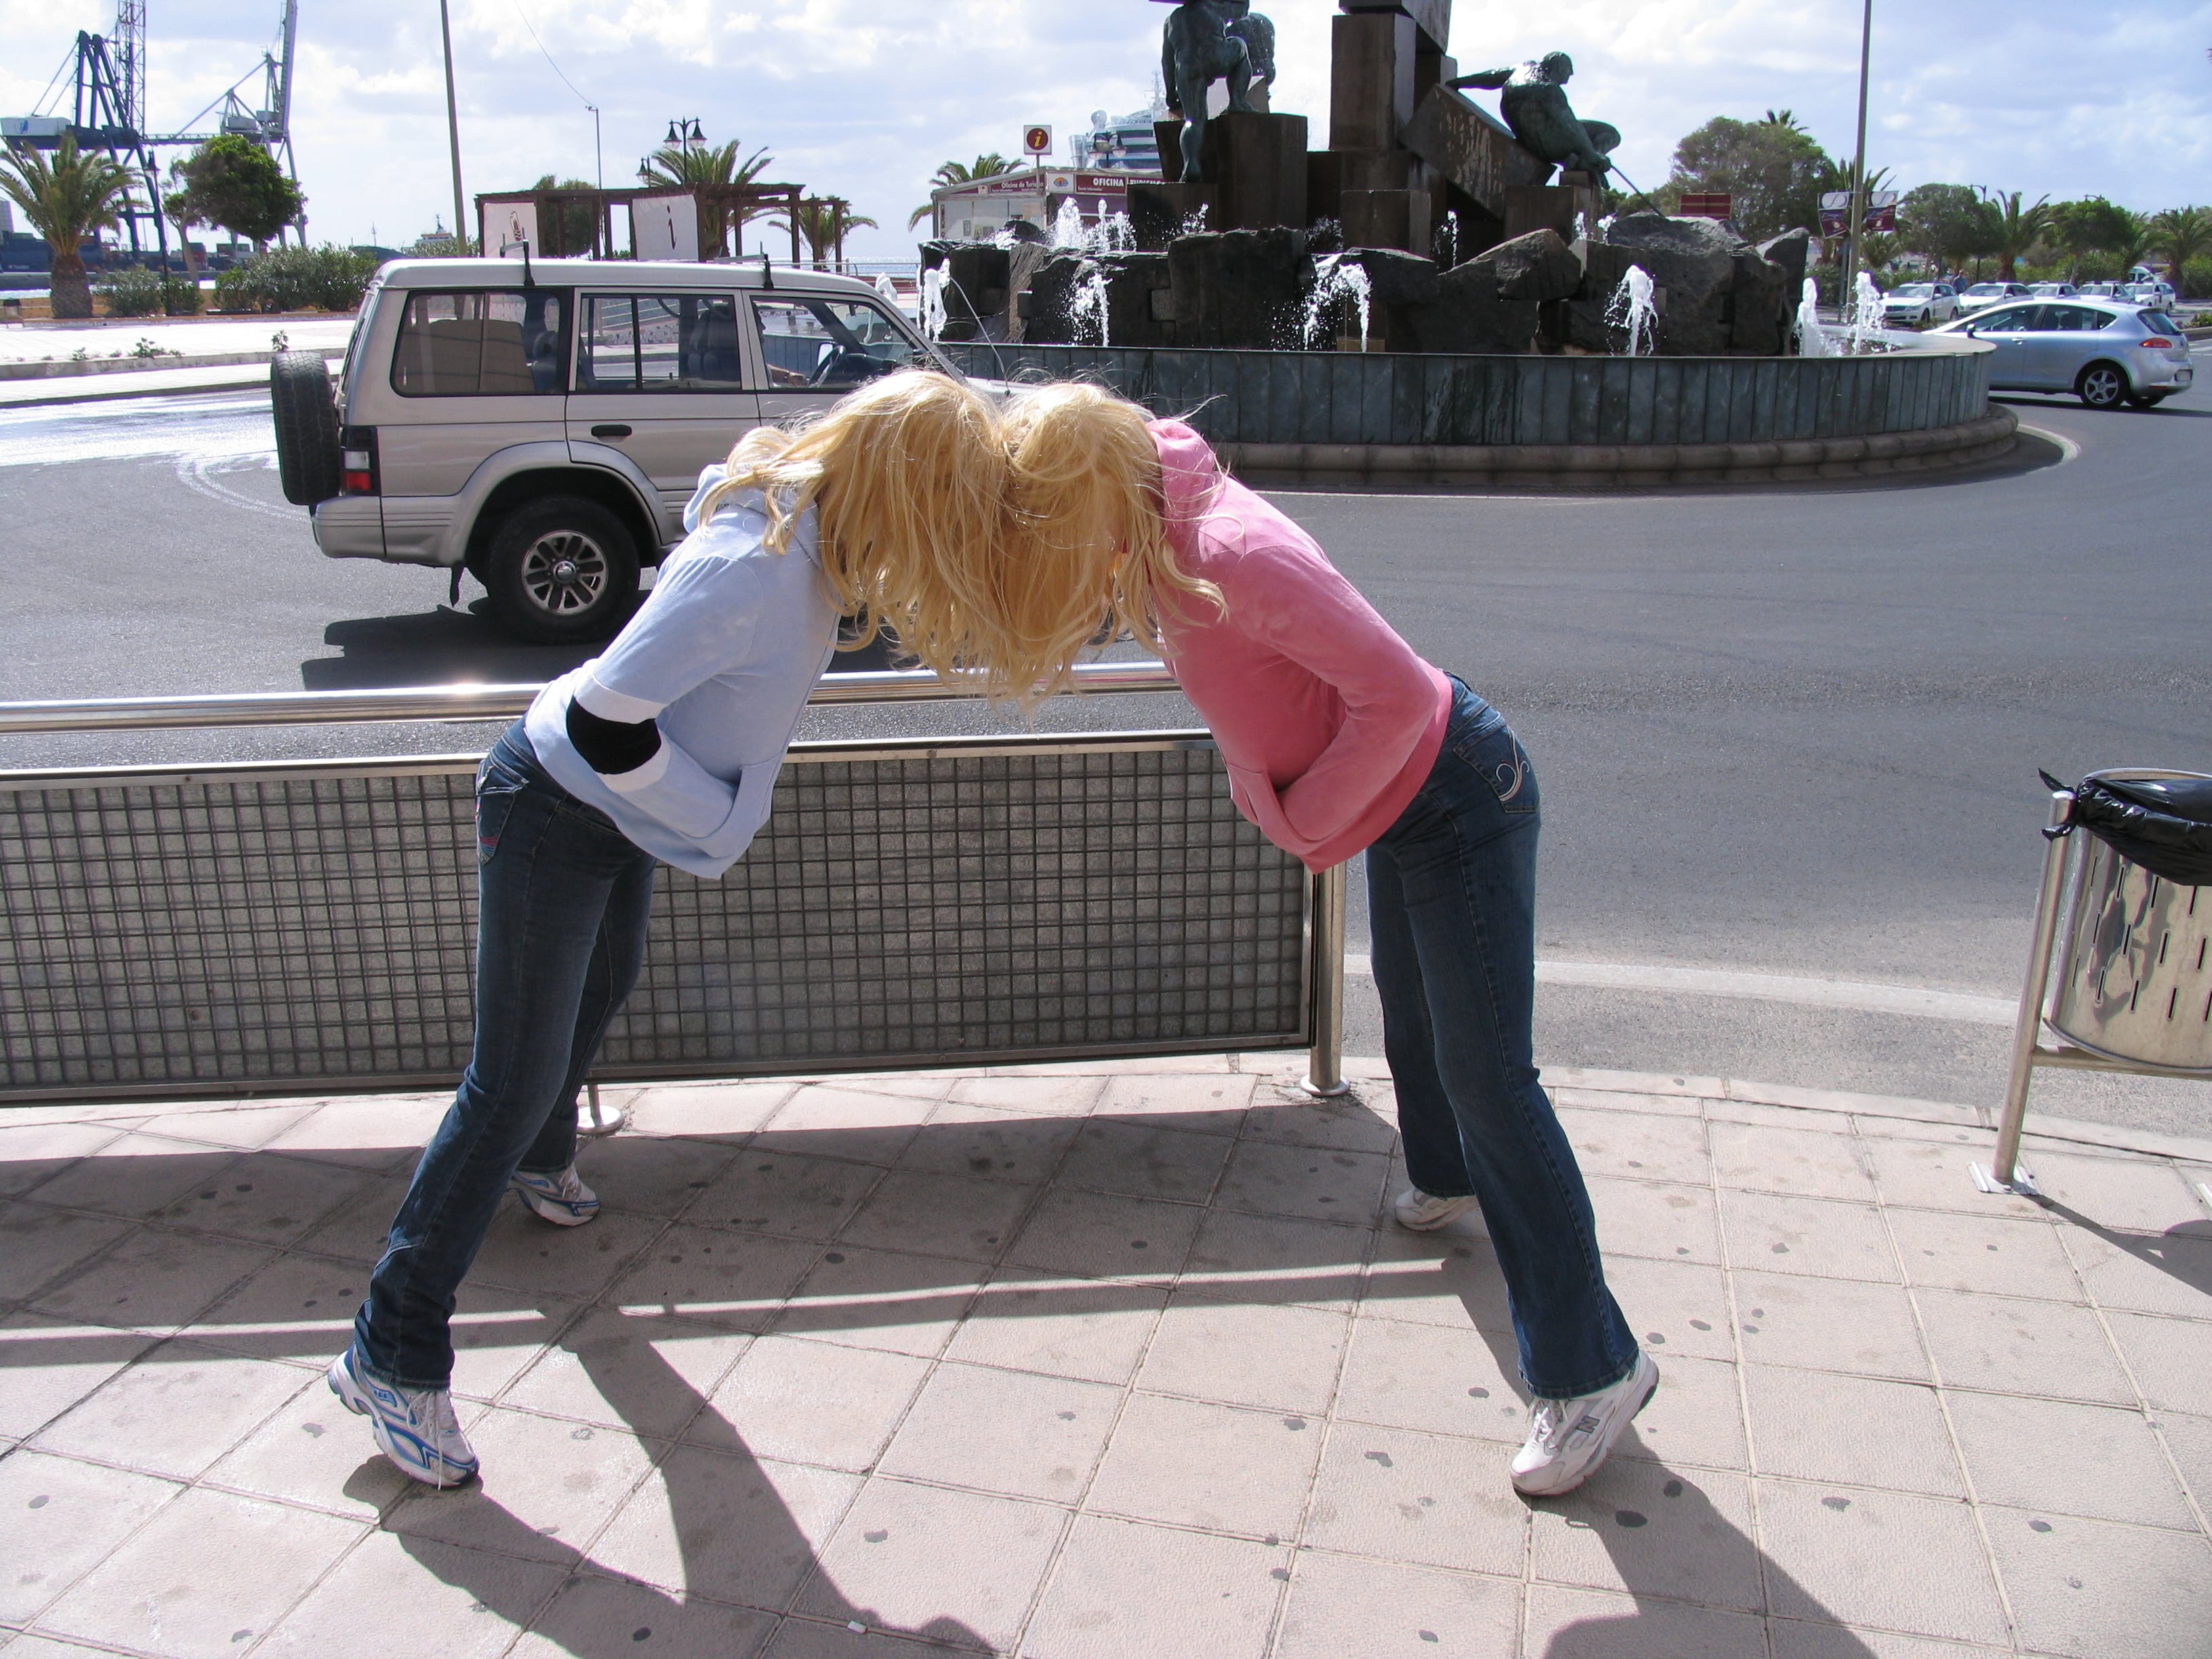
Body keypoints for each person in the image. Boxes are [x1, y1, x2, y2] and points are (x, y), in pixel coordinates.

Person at [328, 370, 1005, 1488]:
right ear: (902, 485)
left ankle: (545, 1159)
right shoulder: (753, 567)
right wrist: (715, 814)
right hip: (557, 803)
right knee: (506, 1081)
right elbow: (600, 720)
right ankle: (390, 1351)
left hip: (610, 813)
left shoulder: (811, 548)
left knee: (601, 988)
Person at [989, 384, 1652, 1497]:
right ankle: (1446, 1178)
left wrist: (1302, 819)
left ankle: (1595, 1371)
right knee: (1416, 1007)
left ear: (1097, 486)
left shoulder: (1229, 548)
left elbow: (1393, 693)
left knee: (1492, 1076)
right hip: (1412, 802)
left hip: (1454, 797)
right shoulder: (1156, 534)